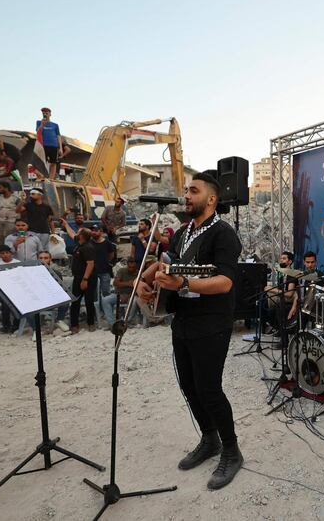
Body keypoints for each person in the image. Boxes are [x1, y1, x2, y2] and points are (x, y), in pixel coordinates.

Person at [138, 172, 243, 490]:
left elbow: (225, 282)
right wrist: (147, 277)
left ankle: (232, 451)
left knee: (209, 389)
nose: (186, 195)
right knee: (189, 386)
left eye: (193, 191)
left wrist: (183, 282)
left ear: (211, 199)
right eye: (186, 190)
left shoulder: (224, 234)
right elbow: (168, 260)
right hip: (182, 320)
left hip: (212, 322)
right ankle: (209, 439)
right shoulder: (183, 232)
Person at [68, 228, 96, 333]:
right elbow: (72, 234)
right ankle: (74, 324)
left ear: (82, 236)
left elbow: (90, 264)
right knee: (75, 301)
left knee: (89, 301)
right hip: (77, 277)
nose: (76, 234)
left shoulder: (87, 247)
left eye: (78, 233)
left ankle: (91, 323)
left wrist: (85, 279)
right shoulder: (79, 243)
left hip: (86, 278)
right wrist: (66, 224)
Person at [36, 251, 70, 332]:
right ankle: (35, 329)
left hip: (51, 297)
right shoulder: (31, 272)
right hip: (37, 298)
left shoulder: (56, 273)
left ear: (50, 259)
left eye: (46, 258)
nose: (43, 260)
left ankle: (59, 320)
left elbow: (59, 288)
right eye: (40, 258)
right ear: (37, 259)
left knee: (66, 299)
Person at [101, 257, 139, 326]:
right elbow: (115, 283)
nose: (131, 269)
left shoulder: (138, 273)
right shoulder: (122, 271)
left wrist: (129, 295)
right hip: (118, 294)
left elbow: (138, 288)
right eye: (129, 267)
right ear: (127, 265)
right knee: (105, 300)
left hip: (131, 295)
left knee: (134, 301)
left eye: (133, 267)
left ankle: (127, 321)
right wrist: (129, 283)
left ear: (136, 266)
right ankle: (112, 324)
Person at [0, 244, 21, 333]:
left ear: (10, 253)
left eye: (7, 253)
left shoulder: (17, 262)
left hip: (16, 288)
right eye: (2, 253)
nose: (5, 255)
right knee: (5, 307)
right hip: (3, 289)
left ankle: (16, 325)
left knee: (17, 307)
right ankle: (6, 326)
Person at [88, 224, 116, 301]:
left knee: (106, 292)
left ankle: (106, 309)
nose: (94, 232)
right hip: (92, 272)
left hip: (104, 271)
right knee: (94, 293)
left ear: (101, 232)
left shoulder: (107, 243)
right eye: (92, 230)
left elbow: (111, 256)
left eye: (96, 230)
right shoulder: (89, 243)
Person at [36, 107, 63, 179]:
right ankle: (42, 177)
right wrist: (42, 125)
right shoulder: (39, 122)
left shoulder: (55, 125)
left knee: (53, 163)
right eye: (43, 113)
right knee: (42, 162)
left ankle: (51, 178)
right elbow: (38, 132)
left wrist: (60, 148)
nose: (45, 114)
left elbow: (58, 136)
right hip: (43, 145)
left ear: (50, 114)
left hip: (54, 146)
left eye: (46, 113)